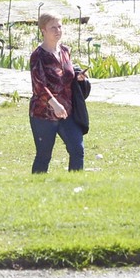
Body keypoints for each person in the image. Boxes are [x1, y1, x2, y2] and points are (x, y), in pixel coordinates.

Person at [28, 13, 86, 174]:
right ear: (43, 30)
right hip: (43, 113)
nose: (57, 30)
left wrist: (78, 77)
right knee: (44, 155)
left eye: (59, 26)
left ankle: (75, 188)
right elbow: (39, 86)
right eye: (53, 27)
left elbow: (67, 75)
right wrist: (55, 104)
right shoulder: (38, 56)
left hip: (67, 112)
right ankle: (36, 190)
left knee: (77, 149)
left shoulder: (65, 50)